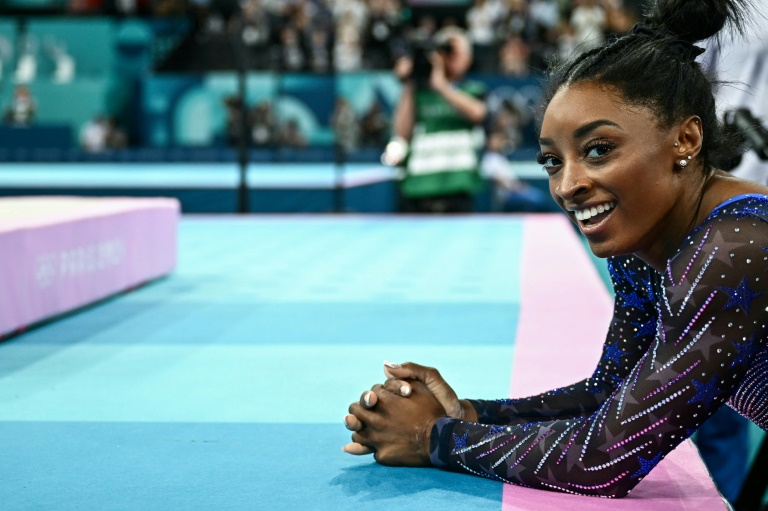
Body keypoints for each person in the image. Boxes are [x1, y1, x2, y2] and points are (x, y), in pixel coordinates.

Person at [343, 0, 768, 499]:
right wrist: (466, 414)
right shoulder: (644, 244)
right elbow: (606, 395)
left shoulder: (734, 246)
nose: (568, 185)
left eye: (598, 150)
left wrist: (431, 438)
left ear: (686, 138)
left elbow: (604, 459)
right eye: (551, 161)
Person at [381, 27, 488, 214]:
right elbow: (402, 132)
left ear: (468, 59)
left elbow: (478, 114)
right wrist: (410, 82)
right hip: (418, 187)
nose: (449, 57)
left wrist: (441, 86)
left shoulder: (473, 90)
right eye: (445, 51)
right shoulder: (418, 93)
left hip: (458, 187)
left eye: (455, 52)